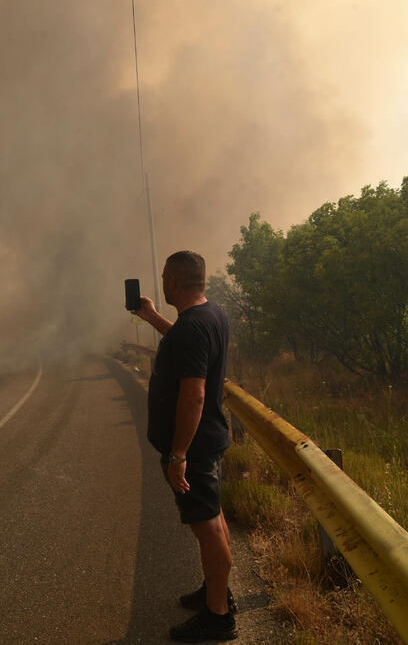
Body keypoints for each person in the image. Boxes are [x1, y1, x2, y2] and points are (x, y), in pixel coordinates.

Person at [131, 250, 237, 642]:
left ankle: (219, 616)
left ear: (173, 281)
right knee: (212, 518)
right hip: (207, 439)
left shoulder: (193, 327)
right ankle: (215, 590)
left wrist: (178, 455)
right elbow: (184, 345)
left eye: (164, 277)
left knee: (207, 526)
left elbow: (193, 395)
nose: (162, 282)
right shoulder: (209, 316)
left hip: (194, 446)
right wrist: (152, 317)